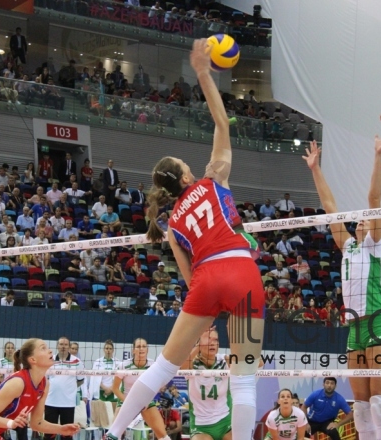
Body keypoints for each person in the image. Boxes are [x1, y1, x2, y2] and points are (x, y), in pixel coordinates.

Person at [105, 39, 265, 440]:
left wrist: (204, 303)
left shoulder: (172, 220)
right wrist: (202, 73)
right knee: (244, 379)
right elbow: (222, 123)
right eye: (184, 163)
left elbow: (187, 272)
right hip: (240, 271)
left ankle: (113, 433)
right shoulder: (214, 178)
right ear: (185, 176)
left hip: (206, 278)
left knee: (162, 367)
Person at [303, 127, 381, 440]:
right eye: (358, 218)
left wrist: (377, 155)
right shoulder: (347, 246)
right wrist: (316, 169)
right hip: (355, 329)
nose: (360, 219)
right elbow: (330, 206)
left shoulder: (375, 245)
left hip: (380, 325)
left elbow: (373, 198)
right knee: (360, 408)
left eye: (366, 218)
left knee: (380, 405)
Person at [0, 338, 81, 439]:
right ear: (33, 359)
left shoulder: (45, 384)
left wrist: (61, 429)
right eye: (43, 348)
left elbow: (36, 423)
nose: (50, 351)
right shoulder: (18, 382)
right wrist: (11, 423)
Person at [111, 338, 170, 440]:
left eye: (144, 346)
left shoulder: (153, 366)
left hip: (145, 401)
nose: (141, 349)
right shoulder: (124, 366)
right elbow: (115, 388)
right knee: (114, 434)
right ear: (133, 350)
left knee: (162, 434)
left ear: (147, 350)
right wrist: (129, 403)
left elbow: (157, 386)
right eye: (138, 347)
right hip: (126, 400)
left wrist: (146, 401)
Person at [181, 328, 232, 440]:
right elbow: (181, 367)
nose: (212, 343)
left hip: (226, 422)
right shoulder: (192, 364)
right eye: (208, 339)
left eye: (215, 340)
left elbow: (259, 363)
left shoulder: (224, 361)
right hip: (201, 425)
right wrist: (198, 344)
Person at [44, 337, 85, 440]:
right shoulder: (49, 360)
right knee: (49, 434)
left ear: (69, 347)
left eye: (66, 345)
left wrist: (68, 389)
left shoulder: (77, 361)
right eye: (61, 344)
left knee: (67, 435)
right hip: (51, 402)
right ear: (57, 346)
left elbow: (81, 380)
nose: (63, 347)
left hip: (68, 403)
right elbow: (45, 380)